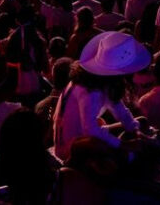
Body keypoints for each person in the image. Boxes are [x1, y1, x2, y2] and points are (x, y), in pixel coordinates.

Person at [52, 31, 151, 161]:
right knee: (125, 154)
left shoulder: (102, 80)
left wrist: (135, 131)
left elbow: (119, 109)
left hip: (85, 137)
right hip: (73, 147)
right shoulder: (89, 89)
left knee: (141, 122)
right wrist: (124, 145)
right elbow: (90, 130)